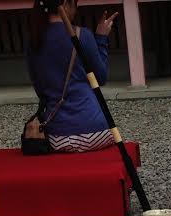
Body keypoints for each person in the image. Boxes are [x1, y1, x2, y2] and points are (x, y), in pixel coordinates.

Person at [26, 0, 118, 152]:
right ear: (66, 4)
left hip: (59, 138)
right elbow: (100, 78)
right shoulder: (82, 35)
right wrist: (101, 39)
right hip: (98, 132)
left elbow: (40, 90)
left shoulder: (34, 41)